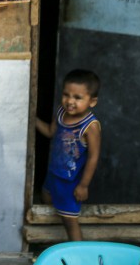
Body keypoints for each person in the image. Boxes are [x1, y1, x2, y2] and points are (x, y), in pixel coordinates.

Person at [36, 69, 102, 241]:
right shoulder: (60, 113)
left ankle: (78, 255)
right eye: (66, 95)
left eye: (78, 98)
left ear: (92, 101)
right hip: (53, 175)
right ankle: (49, 242)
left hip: (70, 183)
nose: (70, 101)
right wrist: (32, 119)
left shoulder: (90, 126)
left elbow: (93, 157)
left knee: (70, 221)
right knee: (46, 200)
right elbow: (51, 132)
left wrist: (83, 185)